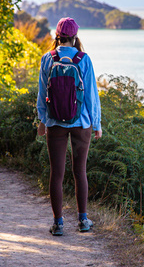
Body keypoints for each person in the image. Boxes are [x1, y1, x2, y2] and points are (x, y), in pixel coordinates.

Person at [37, 17, 102, 236]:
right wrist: (97, 124)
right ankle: (83, 221)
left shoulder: (48, 58)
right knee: (79, 171)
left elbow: (42, 94)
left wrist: (42, 121)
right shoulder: (84, 59)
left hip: (55, 122)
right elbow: (92, 94)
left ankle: (58, 224)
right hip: (81, 122)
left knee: (56, 173)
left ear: (57, 36)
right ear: (75, 37)